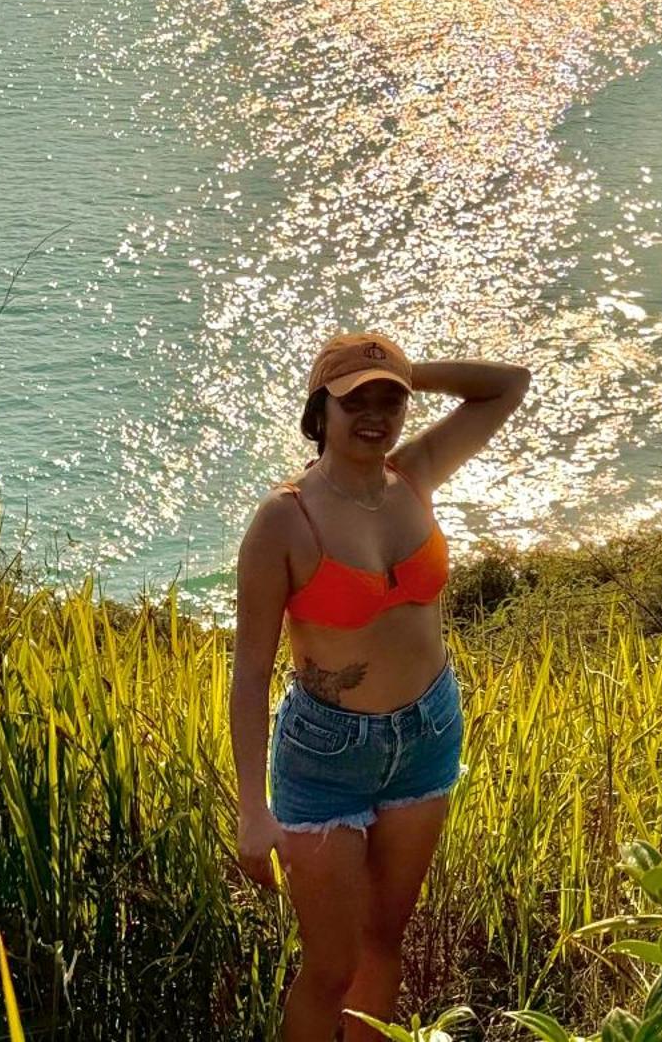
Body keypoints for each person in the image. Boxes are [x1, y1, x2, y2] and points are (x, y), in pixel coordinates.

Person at [230, 330, 531, 1042]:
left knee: (383, 943)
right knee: (329, 966)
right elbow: (248, 672)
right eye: (354, 399)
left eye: (388, 400)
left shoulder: (416, 473)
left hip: (427, 735)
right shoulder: (284, 520)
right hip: (327, 756)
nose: (376, 413)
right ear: (319, 413)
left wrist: (401, 371)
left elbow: (509, 383)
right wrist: (251, 808)